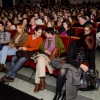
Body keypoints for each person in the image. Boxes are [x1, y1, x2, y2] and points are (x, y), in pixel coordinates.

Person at [53, 34, 95, 100]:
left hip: (79, 67)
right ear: (82, 43)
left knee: (71, 73)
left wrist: (92, 75)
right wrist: (81, 65)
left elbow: (92, 64)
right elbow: (69, 59)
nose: (86, 50)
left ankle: (66, 94)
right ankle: (58, 93)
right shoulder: (74, 44)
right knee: (62, 70)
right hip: (71, 63)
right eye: (85, 48)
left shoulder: (91, 47)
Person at [32, 27, 65, 93]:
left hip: (52, 58)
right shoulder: (46, 39)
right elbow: (41, 46)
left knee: (40, 61)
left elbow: (63, 49)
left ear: (50, 34)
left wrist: (53, 52)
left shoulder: (58, 39)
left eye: (46, 33)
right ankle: (42, 80)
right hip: (45, 56)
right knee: (41, 59)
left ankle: (37, 83)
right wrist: (45, 50)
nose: (45, 35)